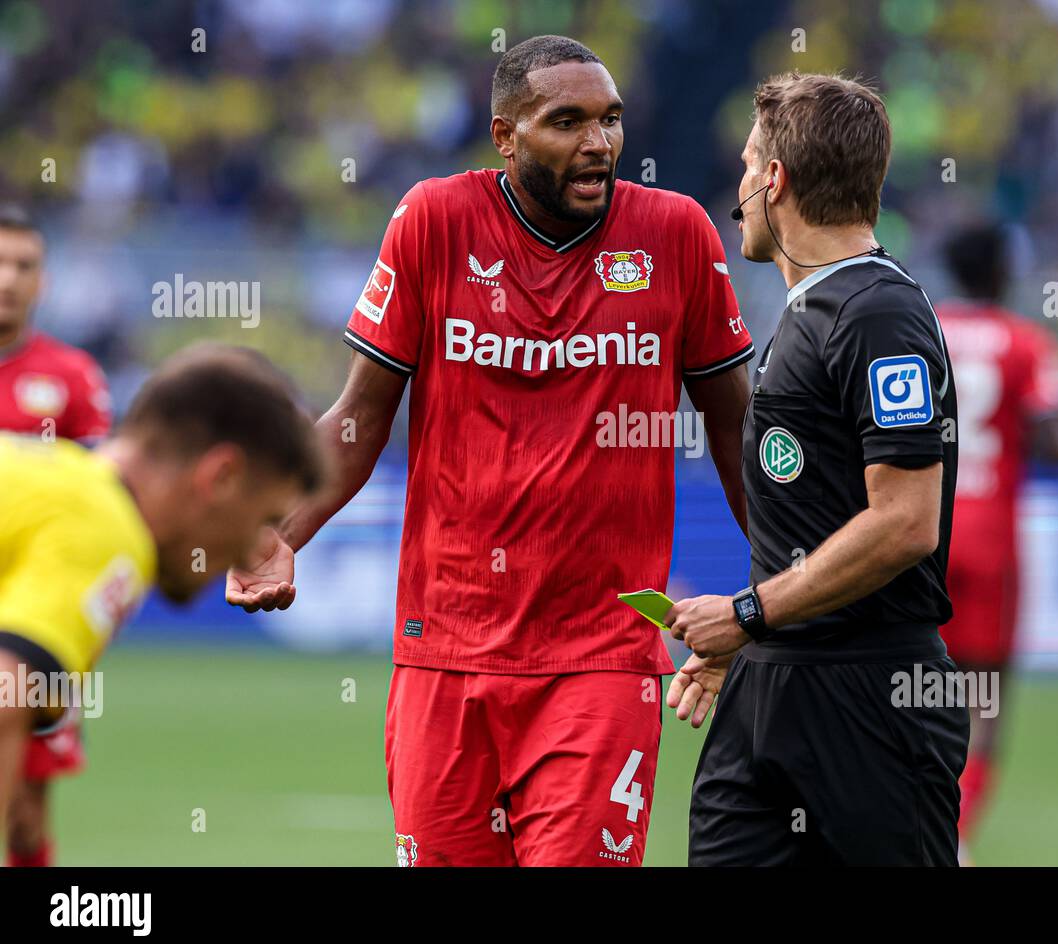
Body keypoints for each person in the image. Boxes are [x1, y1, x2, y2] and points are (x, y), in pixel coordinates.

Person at [226, 35, 754, 867]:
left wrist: (778, 590)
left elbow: (734, 426)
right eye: (567, 121)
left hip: (601, 657)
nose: (599, 143)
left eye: (611, 120)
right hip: (446, 650)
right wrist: (279, 532)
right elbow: (360, 416)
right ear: (506, 137)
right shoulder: (435, 221)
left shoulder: (676, 234)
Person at [666, 72, 967, 865]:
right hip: (772, 682)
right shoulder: (810, 311)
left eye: (745, 164)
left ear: (774, 181)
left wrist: (751, 612)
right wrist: (753, 636)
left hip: (872, 696)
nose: (736, 185)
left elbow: (904, 522)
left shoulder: (881, 314)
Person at [0, 343, 326, 847]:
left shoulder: (53, 481)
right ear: (221, 476)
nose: (253, 549)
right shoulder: (106, 528)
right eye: (263, 518)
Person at [935, 221, 1058, 854]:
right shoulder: (1025, 342)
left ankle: (897, 822)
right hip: (990, 541)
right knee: (984, 704)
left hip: (918, 535)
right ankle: (955, 837)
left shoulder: (922, 328)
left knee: (903, 686)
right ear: (1000, 271)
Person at [0, 204, 112, 867]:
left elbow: (99, 505)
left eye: (24, 266)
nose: (8, 278)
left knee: (23, 815)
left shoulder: (72, 379)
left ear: (44, 280)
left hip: (33, 620)